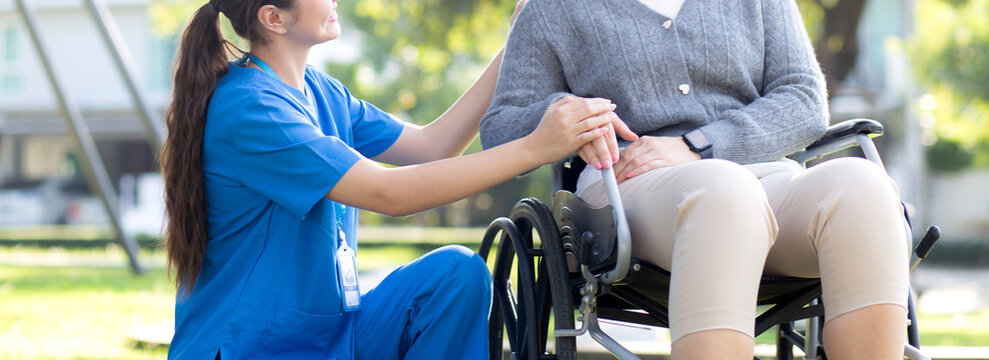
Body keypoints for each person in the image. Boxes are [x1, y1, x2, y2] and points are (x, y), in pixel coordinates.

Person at [160, 0, 624, 359]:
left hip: (330, 335)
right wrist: (534, 147)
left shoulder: (322, 92)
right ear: (274, 18)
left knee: (456, 275)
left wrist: (516, 44)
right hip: (255, 345)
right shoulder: (252, 110)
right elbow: (390, 193)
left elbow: (431, 147)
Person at [480, 0, 910, 359]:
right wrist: (568, 113)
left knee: (862, 186)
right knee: (723, 192)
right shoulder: (553, 8)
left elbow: (804, 98)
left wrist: (698, 144)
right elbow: (501, 128)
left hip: (762, 176)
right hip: (628, 187)